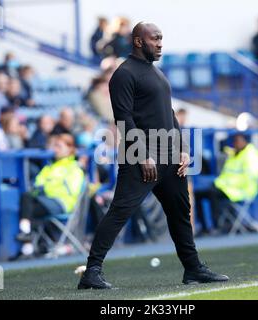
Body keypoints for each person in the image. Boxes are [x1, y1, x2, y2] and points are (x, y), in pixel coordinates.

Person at [78, 22, 229, 290]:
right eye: (155, 39)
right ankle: (92, 271)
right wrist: (143, 156)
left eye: (161, 39)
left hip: (170, 156)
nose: (160, 44)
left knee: (180, 212)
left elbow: (169, 114)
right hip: (143, 158)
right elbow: (123, 118)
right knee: (120, 211)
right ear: (138, 41)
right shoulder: (123, 74)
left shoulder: (156, 73)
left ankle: (193, 269)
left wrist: (182, 148)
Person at [16, 134, 85, 256]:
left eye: (59, 146)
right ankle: (27, 239)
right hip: (46, 200)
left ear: (69, 149)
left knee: (27, 205)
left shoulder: (74, 168)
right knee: (26, 198)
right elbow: (37, 184)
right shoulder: (49, 167)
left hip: (61, 203)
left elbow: (70, 191)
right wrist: (43, 188)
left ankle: (27, 243)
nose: (55, 149)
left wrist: (46, 188)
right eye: (54, 146)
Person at [194, 134, 258, 235]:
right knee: (198, 194)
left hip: (242, 190)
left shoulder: (251, 155)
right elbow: (227, 174)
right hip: (228, 188)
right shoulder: (235, 154)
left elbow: (249, 178)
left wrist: (224, 184)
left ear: (245, 141)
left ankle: (217, 226)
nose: (235, 144)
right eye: (234, 141)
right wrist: (220, 183)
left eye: (237, 141)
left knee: (212, 194)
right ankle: (205, 227)